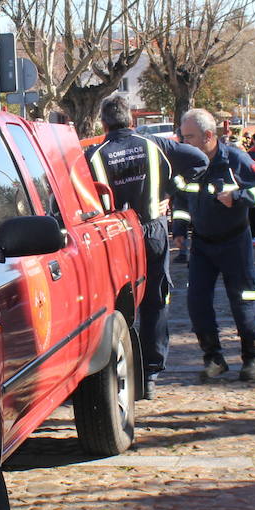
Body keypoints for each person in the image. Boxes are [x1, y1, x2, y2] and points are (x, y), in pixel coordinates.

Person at [87, 97, 208, 395]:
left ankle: (118, 373)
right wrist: (170, 188)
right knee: (154, 301)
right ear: (131, 120)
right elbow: (200, 161)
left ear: (103, 123)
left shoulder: (93, 155)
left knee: (115, 305)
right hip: (152, 229)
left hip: (113, 235)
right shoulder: (154, 145)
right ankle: (151, 375)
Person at [176, 108, 255, 383]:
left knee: (244, 302)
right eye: (183, 137)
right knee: (197, 303)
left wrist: (240, 196)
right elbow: (182, 199)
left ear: (208, 136)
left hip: (235, 242)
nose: (184, 143)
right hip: (201, 246)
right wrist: (180, 229)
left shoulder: (234, 159)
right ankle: (213, 358)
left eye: (190, 137)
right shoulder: (188, 163)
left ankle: (251, 358)